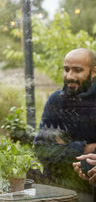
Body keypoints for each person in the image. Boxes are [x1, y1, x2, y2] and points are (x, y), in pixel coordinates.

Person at [34, 48, 96, 193]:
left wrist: (68, 148)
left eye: (77, 70)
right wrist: (86, 149)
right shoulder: (56, 101)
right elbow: (43, 150)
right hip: (62, 189)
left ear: (94, 72)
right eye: (66, 69)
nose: (70, 76)